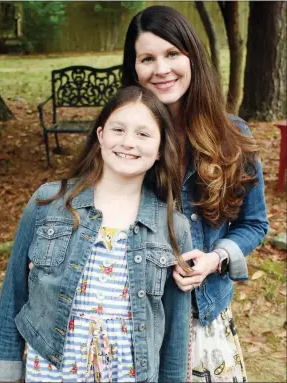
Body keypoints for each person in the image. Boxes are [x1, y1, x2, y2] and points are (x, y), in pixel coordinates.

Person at [0, 86, 194, 383]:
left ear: (161, 148)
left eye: (143, 134)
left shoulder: (173, 227)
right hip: (52, 370)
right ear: (100, 136)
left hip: (130, 374)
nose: (128, 142)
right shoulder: (49, 203)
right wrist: (7, 365)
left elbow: (176, 325)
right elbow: (14, 290)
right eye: (118, 129)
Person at [122, 5, 269, 383]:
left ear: (192, 56)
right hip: (133, 313)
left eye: (172, 53)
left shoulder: (232, 136)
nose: (161, 69)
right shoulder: (123, 138)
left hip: (203, 316)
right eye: (147, 58)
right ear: (133, 67)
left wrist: (215, 258)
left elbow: (254, 224)